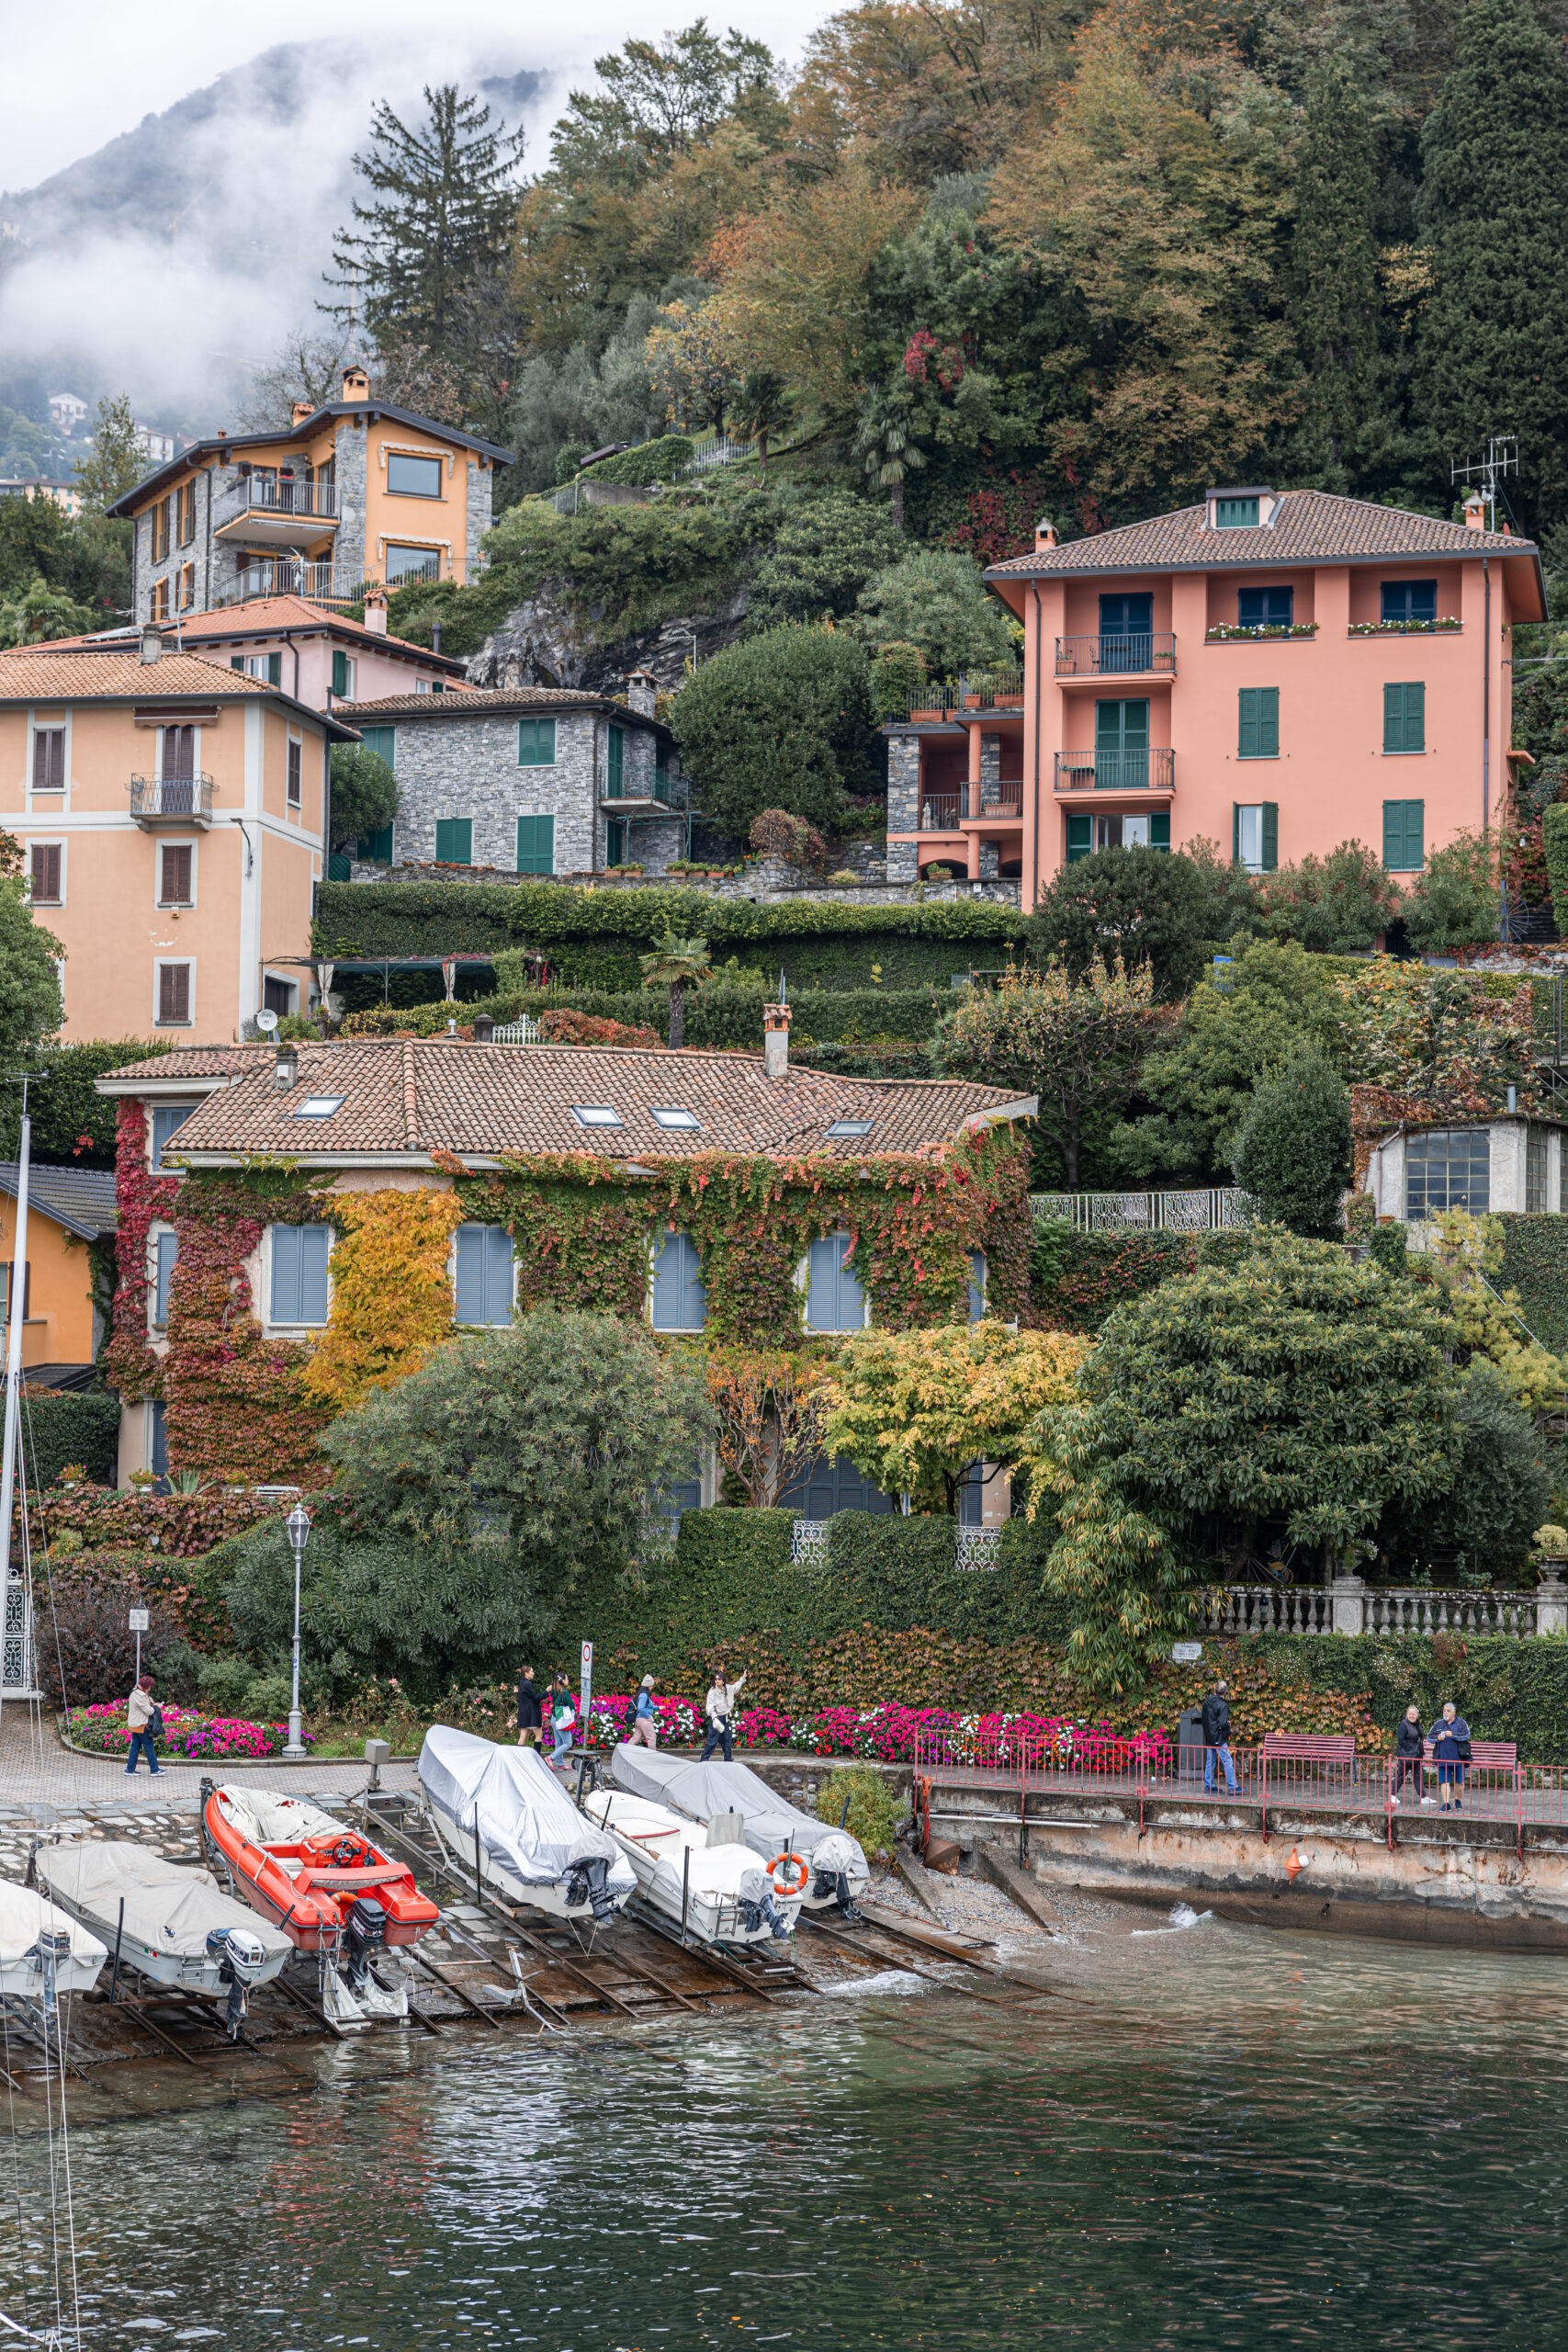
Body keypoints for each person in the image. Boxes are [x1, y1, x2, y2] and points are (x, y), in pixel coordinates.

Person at [1427, 1701, 1472, 1815]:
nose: (1445, 1712)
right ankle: (1446, 1803)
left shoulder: (1461, 1723)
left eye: (1448, 1711)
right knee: (1444, 1781)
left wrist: (1453, 1735)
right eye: (1444, 1710)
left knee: (1460, 1782)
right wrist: (1437, 1737)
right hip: (1443, 1757)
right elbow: (1429, 1737)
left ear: (1454, 1712)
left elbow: (1467, 1735)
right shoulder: (1438, 1724)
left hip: (1459, 1758)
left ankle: (1457, 1800)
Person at [701, 1665, 747, 1764]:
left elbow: (737, 1686)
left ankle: (728, 1759)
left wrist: (743, 1677)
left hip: (724, 1719)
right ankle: (704, 1759)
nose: (717, 1681)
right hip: (716, 1719)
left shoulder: (728, 1689)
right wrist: (714, 1718)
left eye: (719, 1679)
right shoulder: (712, 1692)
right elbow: (709, 1707)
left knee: (727, 1739)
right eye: (716, 1679)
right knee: (712, 1741)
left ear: (723, 1680)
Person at [1201, 1679, 1237, 1796]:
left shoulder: (1207, 1702)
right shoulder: (1223, 1705)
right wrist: (1228, 1724)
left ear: (1215, 1689)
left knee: (1210, 1761)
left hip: (1208, 1736)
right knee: (1227, 1761)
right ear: (1225, 1692)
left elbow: (1205, 1719)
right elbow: (1222, 1723)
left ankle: (1208, 1785)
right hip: (1218, 1738)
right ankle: (1233, 1786)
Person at [126, 1674, 163, 1777]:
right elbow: (149, 1711)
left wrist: (152, 1703)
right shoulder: (140, 1695)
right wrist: (157, 1707)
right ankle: (155, 1770)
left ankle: (130, 1770)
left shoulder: (137, 1691)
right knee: (149, 1746)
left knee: (135, 1747)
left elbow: (145, 1706)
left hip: (135, 1725)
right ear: (147, 1686)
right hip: (141, 1725)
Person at [1390, 1704, 1425, 1807]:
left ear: (1417, 1715)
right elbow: (1401, 1740)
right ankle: (1392, 1795)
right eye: (1410, 1713)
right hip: (1406, 1755)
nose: (1411, 1715)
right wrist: (1411, 1749)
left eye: (1413, 1714)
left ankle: (1423, 1797)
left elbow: (1419, 1738)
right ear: (1407, 1714)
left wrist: (1417, 1750)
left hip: (1417, 1755)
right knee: (1401, 1775)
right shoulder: (1403, 1725)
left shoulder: (1418, 1725)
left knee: (1418, 1776)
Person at [549, 1672, 578, 1763]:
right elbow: (572, 1705)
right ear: (563, 1680)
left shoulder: (554, 1690)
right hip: (562, 1719)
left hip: (554, 1718)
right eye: (567, 1678)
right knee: (568, 1743)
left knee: (559, 1742)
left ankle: (560, 1764)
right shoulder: (564, 1692)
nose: (568, 1680)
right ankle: (551, 1758)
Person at [513, 1666, 544, 1750]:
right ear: (526, 1673)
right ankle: (537, 1756)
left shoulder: (523, 1683)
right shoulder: (527, 1684)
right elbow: (536, 1697)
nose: (533, 1673)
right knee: (539, 1734)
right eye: (532, 1671)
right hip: (530, 1715)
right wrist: (547, 1691)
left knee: (523, 1736)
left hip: (523, 1714)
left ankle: (518, 1756)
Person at [628, 1675, 660, 1749]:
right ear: (648, 1685)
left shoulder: (642, 1694)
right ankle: (652, 1757)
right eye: (652, 1685)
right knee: (651, 1738)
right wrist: (648, 1717)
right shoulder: (644, 1695)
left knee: (636, 1738)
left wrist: (658, 1707)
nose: (652, 1687)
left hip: (639, 1720)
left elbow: (646, 1706)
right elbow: (641, 1708)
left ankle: (625, 1751)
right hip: (644, 1720)